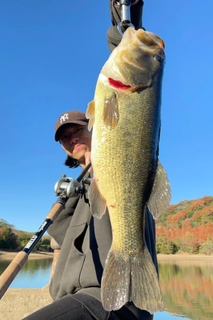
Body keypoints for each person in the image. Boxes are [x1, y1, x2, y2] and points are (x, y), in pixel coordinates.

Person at [23, 2, 158, 319]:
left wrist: (125, 17)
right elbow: (67, 251)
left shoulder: (116, 148)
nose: (72, 137)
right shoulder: (75, 193)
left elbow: (126, 68)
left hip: (113, 300)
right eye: (64, 136)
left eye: (78, 129)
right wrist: (65, 204)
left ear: (96, 125)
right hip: (75, 300)